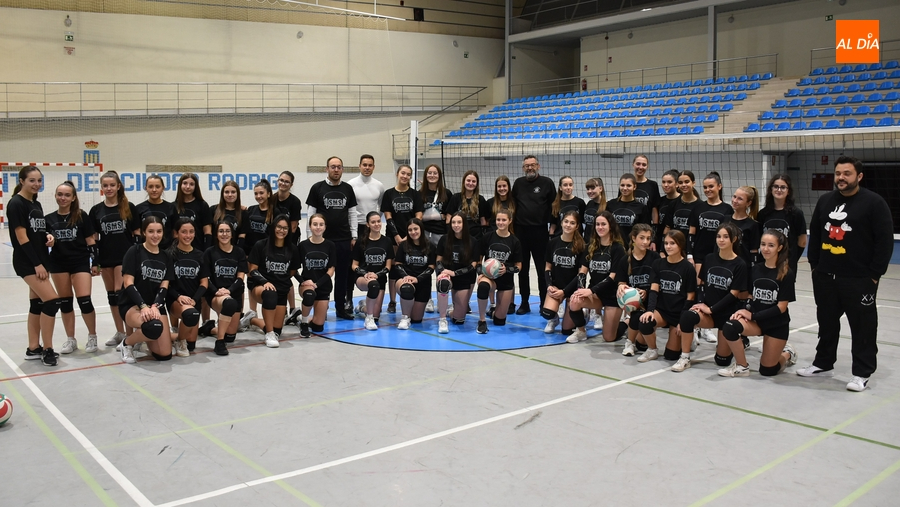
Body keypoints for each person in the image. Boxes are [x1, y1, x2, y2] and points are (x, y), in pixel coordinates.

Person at [798, 156, 894, 391]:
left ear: (859, 176)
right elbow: (818, 236)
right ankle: (823, 363)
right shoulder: (825, 201)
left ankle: (861, 372)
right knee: (827, 323)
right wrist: (815, 267)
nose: (841, 177)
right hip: (826, 277)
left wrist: (874, 275)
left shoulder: (874, 203)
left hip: (859, 279)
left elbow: (884, 241)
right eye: (838, 173)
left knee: (863, 328)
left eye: (847, 173)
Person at [719, 231, 798, 378]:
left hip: (776, 324)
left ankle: (787, 354)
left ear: (779, 248)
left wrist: (753, 315)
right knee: (730, 326)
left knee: (768, 370)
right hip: (757, 322)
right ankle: (742, 366)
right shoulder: (756, 269)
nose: (766, 249)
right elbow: (750, 295)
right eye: (763, 244)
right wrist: (744, 310)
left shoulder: (786, 273)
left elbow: (781, 307)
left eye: (771, 245)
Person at [676, 223, 748, 372]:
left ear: (734, 239)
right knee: (688, 317)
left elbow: (733, 295)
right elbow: (701, 285)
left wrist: (711, 309)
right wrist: (701, 304)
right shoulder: (709, 258)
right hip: (709, 313)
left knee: (721, 361)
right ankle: (684, 357)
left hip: (726, 315)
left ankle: (737, 341)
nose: (721, 240)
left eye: (726, 237)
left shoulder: (740, 264)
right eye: (719, 236)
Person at [8, 166, 61, 366]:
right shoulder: (16, 204)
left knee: (37, 304)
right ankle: (48, 348)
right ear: (22, 181)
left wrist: (48, 236)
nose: (36, 184)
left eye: (39, 180)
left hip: (39, 260)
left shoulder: (35, 203)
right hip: (28, 262)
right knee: (51, 301)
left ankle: (33, 348)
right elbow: (22, 238)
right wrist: (37, 264)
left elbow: (37, 230)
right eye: (32, 180)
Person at [46, 181, 99, 354]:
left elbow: (91, 241)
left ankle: (92, 336)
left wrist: (95, 262)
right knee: (65, 303)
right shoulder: (49, 219)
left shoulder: (81, 216)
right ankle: (71, 339)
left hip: (80, 262)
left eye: (67, 195)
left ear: (73, 197)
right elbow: (45, 243)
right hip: (58, 264)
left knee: (84, 300)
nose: (63, 198)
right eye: (60, 194)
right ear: (55, 196)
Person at [90, 171, 140, 349]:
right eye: (105, 185)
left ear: (118, 186)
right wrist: (95, 261)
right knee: (112, 295)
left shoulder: (128, 207)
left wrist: (136, 256)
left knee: (121, 293)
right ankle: (120, 332)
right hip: (106, 258)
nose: (109, 188)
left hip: (124, 257)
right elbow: (94, 238)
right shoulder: (96, 210)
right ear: (102, 187)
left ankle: (130, 335)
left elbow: (137, 234)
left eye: (112, 185)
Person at [306, 156, 358, 320]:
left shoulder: (348, 189)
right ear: (326, 169)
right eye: (333, 167)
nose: (336, 170)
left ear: (342, 169)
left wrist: (354, 235)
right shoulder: (317, 188)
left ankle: (340, 309)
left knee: (342, 277)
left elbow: (352, 214)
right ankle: (320, 306)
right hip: (323, 241)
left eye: (339, 167)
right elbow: (310, 212)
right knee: (321, 276)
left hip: (343, 239)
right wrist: (310, 237)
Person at [118, 216, 175, 364]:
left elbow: (164, 286)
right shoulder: (134, 251)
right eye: (151, 231)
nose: (155, 235)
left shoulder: (166, 256)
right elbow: (128, 283)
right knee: (152, 326)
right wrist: (143, 306)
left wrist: (155, 306)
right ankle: (127, 343)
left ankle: (144, 336)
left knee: (165, 354)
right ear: (144, 232)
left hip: (155, 305)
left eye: (159, 231)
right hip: (133, 304)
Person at [635, 231, 697, 363]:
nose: (668, 247)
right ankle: (652, 349)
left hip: (678, 313)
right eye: (666, 243)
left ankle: (689, 336)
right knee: (644, 323)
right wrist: (650, 310)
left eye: (672, 243)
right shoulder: (658, 263)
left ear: (680, 245)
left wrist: (683, 321)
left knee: (671, 356)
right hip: (662, 311)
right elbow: (653, 290)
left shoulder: (688, 268)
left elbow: (690, 296)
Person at [688, 171, 734, 343]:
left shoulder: (727, 209)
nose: (707, 190)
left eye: (711, 186)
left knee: (712, 289)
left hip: (718, 256)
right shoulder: (698, 207)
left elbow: (729, 235)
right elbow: (691, 233)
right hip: (700, 255)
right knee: (699, 286)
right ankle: (697, 326)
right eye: (705, 187)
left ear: (719, 187)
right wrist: (690, 254)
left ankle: (708, 327)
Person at [567, 210, 626, 343]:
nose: (600, 227)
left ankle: (626, 322)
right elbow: (582, 272)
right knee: (574, 300)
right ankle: (581, 331)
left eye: (603, 224)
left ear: (610, 226)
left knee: (609, 338)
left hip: (612, 296)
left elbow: (612, 277)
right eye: (597, 224)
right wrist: (580, 288)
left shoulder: (618, 249)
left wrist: (590, 290)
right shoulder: (591, 247)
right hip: (596, 295)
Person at [246, 215, 301, 348]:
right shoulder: (261, 245)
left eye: (285, 228)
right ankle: (269, 333)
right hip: (260, 286)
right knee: (270, 294)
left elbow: (293, 271)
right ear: (273, 227)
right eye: (279, 227)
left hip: (280, 288)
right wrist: (265, 281)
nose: (281, 230)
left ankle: (252, 320)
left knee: (278, 331)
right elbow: (252, 270)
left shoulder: (292, 249)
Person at [511, 155, 556, 315]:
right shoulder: (518, 184)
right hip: (521, 232)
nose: (529, 168)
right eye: (526, 166)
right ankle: (524, 302)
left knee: (541, 269)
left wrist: (552, 228)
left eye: (532, 165)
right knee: (522, 270)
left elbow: (554, 206)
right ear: (523, 168)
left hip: (540, 232)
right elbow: (513, 205)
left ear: (538, 166)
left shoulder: (547, 183)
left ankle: (544, 302)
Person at [383, 164, 424, 314]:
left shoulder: (415, 194)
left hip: (412, 235)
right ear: (397, 174)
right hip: (394, 236)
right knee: (394, 268)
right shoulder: (389, 194)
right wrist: (397, 236)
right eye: (403, 173)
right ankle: (392, 301)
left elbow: (418, 216)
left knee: (408, 265)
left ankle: (410, 294)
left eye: (408, 174)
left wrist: (408, 235)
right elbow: (388, 216)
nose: (405, 176)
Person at [347, 154, 385, 314]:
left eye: (370, 165)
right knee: (353, 266)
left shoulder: (379, 186)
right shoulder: (351, 185)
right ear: (359, 166)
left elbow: (381, 207)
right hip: (356, 229)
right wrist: (353, 234)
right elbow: (349, 210)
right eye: (364, 164)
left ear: (374, 167)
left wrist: (375, 225)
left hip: (372, 228)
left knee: (375, 263)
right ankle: (348, 299)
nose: (367, 167)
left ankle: (374, 295)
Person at [475, 210, 523, 334]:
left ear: (510, 221)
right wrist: (480, 272)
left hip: (505, 280)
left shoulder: (515, 241)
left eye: (504, 220)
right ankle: (482, 320)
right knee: (483, 286)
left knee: (499, 321)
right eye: (498, 220)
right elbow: (478, 260)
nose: (500, 222)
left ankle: (494, 312)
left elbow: (519, 266)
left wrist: (507, 269)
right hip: (489, 277)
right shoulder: (488, 237)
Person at [204, 220, 247, 356]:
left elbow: (241, 277)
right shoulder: (210, 252)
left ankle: (209, 328)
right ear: (216, 234)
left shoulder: (239, 252)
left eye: (227, 231)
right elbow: (205, 278)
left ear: (232, 234)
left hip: (232, 292)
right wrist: (216, 291)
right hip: (216, 294)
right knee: (229, 304)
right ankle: (219, 342)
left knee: (231, 335)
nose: (224, 234)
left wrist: (229, 291)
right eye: (221, 231)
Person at [166, 218, 208, 357]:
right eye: (184, 232)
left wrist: (195, 300)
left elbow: (204, 284)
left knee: (191, 345)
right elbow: (165, 284)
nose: (188, 235)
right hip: (175, 300)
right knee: (191, 315)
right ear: (176, 234)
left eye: (191, 232)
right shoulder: (169, 255)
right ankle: (179, 340)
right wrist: (179, 297)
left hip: (193, 302)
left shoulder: (200, 255)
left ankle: (171, 337)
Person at [540, 211, 585, 337]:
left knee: (566, 331)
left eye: (572, 223)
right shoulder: (553, 243)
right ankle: (554, 319)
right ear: (561, 223)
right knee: (547, 312)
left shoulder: (581, 246)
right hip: (556, 285)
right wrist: (549, 285)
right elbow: (548, 267)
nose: (568, 225)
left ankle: (582, 313)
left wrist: (565, 292)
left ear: (577, 226)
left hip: (572, 288)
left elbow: (580, 275)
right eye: (566, 222)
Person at [435, 213, 479, 334]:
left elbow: (474, 265)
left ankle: (451, 310)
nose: (456, 225)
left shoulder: (472, 241)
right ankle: (442, 319)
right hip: (447, 275)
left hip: (463, 277)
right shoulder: (444, 239)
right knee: (443, 283)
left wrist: (455, 273)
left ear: (464, 224)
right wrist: (443, 271)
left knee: (459, 320)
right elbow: (438, 260)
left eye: (459, 222)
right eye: (453, 222)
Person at [756, 174, 807, 274]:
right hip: (766, 262)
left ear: (788, 191)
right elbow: (759, 239)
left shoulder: (796, 214)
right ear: (771, 189)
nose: (779, 190)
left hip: (786, 264)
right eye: (776, 186)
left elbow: (802, 241)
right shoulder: (763, 214)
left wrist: (792, 259)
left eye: (783, 187)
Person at [352, 212, 394, 331]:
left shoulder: (387, 241)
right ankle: (368, 319)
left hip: (379, 278)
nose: (376, 224)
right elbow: (354, 265)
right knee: (373, 285)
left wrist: (377, 274)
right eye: (373, 222)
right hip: (363, 278)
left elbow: (388, 267)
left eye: (378, 221)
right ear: (368, 224)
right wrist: (365, 274)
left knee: (377, 314)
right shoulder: (361, 241)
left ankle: (362, 308)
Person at [296, 214, 336, 338]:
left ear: (325, 227)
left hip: (323, 285)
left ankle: (300, 317)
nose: (318, 227)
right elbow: (294, 269)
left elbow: (331, 270)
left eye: (321, 224)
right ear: (310, 226)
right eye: (315, 224)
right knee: (309, 294)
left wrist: (317, 284)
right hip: (307, 285)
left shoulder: (330, 245)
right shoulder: (303, 245)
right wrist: (303, 281)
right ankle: (303, 323)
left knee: (318, 327)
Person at [619, 224, 655, 357]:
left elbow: (658, 284)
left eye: (648, 238)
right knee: (636, 316)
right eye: (642, 238)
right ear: (633, 238)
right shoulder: (625, 260)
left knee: (642, 345)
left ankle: (631, 330)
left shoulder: (654, 258)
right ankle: (629, 342)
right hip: (636, 305)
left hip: (652, 301)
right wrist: (621, 288)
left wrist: (646, 291)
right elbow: (622, 282)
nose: (645, 242)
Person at [393, 218, 436, 330]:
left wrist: (418, 279)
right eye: (410, 230)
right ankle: (404, 317)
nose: (413, 232)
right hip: (405, 280)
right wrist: (405, 276)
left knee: (416, 320)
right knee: (407, 288)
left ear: (421, 229)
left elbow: (431, 267)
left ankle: (410, 313)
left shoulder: (430, 246)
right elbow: (397, 264)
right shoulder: (403, 245)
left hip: (422, 282)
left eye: (415, 229)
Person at [485, 175, 516, 315]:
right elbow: (485, 222)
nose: (502, 188)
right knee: (491, 271)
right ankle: (492, 304)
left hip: (509, 240)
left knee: (508, 273)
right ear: (496, 188)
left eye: (504, 186)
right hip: (493, 240)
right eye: (499, 186)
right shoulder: (490, 202)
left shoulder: (514, 203)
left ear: (508, 187)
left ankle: (510, 303)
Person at [606, 173, 652, 248]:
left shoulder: (641, 207)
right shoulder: (611, 204)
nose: (625, 188)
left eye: (628, 185)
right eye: (622, 185)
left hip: (632, 247)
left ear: (634, 187)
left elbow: (644, 230)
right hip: (613, 246)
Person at [172, 173, 212, 251]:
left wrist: (206, 251)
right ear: (180, 185)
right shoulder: (172, 206)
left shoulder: (202, 205)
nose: (188, 187)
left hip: (198, 249)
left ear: (195, 187)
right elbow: (173, 232)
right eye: (185, 183)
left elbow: (207, 231)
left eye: (191, 184)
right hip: (177, 250)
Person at [662, 170, 700, 252]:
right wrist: (662, 250)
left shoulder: (700, 205)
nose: (684, 185)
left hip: (692, 249)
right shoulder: (673, 204)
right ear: (677, 185)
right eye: (680, 182)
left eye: (687, 182)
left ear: (693, 183)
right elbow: (668, 228)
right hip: (674, 248)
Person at [135, 174, 176, 249]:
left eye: (157, 187)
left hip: (166, 251)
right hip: (145, 251)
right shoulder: (138, 209)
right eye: (150, 187)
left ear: (163, 188)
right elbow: (137, 232)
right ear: (146, 188)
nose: (154, 190)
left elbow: (175, 232)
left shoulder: (171, 208)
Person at [727, 186, 761, 269]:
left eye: (740, 199)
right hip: (725, 265)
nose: (735, 201)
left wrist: (754, 270)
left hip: (742, 268)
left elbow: (754, 252)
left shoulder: (753, 225)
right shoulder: (725, 219)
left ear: (748, 203)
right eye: (734, 197)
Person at [419, 163, 452, 248]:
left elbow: (448, 216)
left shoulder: (446, 193)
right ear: (426, 175)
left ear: (439, 176)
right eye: (429, 173)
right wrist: (439, 216)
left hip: (440, 233)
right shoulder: (419, 194)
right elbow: (418, 216)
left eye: (435, 173)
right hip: (424, 232)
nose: (432, 175)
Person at [631, 155, 661, 244]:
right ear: (633, 165)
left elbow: (654, 210)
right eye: (638, 164)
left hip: (645, 229)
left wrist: (653, 237)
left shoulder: (652, 185)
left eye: (644, 165)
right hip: (629, 228)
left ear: (647, 167)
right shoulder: (627, 184)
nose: (640, 167)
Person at [210, 180, 246, 250]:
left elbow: (242, 236)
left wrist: (236, 252)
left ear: (238, 194)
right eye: (226, 192)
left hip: (233, 252)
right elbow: (209, 233)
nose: (230, 195)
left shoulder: (243, 213)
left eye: (233, 192)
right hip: (215, 251)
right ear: (222, 194)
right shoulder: (213, 210)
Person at [275, 170, 303, 243]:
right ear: (277, 181)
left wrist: (283, 240)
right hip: (274, 235)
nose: (283, 183)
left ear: (291, 185)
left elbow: (293, 227)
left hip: (290, 236)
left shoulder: (295, 202)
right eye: (281, 180)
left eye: (287, 182)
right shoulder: (271, 199)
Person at [656, 169, 680, 252]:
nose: (666, 185)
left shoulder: (681, 201)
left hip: (676, 242)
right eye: (663, 182)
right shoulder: (660, 201)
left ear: (677, 184)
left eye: (669, 182)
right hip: (661, 241)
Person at [581, 177, 607, 244]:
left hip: (599, 242)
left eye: (593, 188)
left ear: (600, 188)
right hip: (586, 242)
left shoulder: (607, 206)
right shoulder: (589, 204)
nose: (589, 191)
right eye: (588, 189)